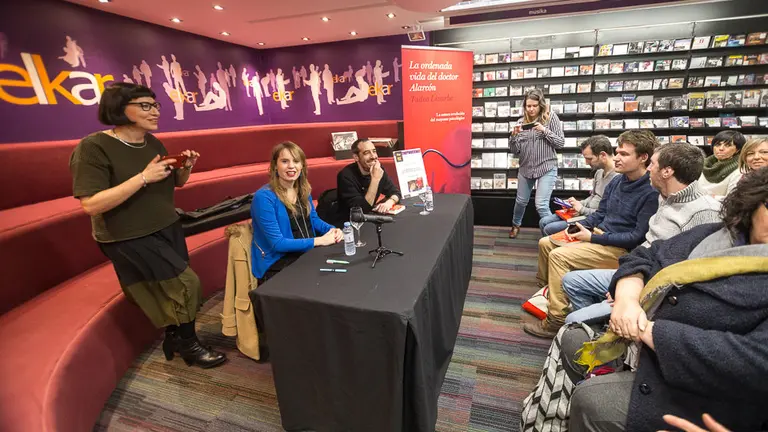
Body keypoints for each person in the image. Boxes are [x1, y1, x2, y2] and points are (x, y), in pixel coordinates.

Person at [562, 167, 768, 432]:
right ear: (753, 201)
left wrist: (648, 330)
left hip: (702, 386)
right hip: (645, 336)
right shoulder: (716, 235)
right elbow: (645, 255)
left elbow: (753, 361)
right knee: (573, 337)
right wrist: (627, 296)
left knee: (591, 400)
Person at [69, 83, 225, 369]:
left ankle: (174, 338)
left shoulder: (152, 142)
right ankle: (188, 343)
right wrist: (142, 177)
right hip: (128, 236)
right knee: (186, 284)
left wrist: (185, 168)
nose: (154, 111)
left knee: (169, 289)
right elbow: (90, 204)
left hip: (166, 226)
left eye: (155, 105)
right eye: (145, 105)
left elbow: (174, 183)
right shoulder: (93, 147)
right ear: (119, 109)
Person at [563, 142, 721, 324]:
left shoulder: (705, 213)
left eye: (652, 164)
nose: (649, 169)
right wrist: (624, 278)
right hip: (638, 272)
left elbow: (689, 274)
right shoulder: (665, 197)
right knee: (571, 281)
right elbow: (647, 248)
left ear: (667, 172)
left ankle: (607, 330)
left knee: (572, 319)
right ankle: (605, 329)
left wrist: (629, 290)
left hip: (657, 289)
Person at [524, 130, 659, 339]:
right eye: (617, 152)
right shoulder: (617, 181)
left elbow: (636, 237)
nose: (617, 158)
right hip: (600, 236)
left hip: (619, 249)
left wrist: (593, 237)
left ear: (643, 158)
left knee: (558, 256)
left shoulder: (651, 192)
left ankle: (555, 320)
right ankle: (548, 294)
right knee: (545, 243)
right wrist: (576, 228)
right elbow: (601, 213)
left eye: (624, 154)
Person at [250, 142, 343, 285]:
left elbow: (314, 220)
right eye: (285, 161)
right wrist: (320, 241)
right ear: (275, 166)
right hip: (277, 263)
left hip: (305, 253)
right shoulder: (264, 198)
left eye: (296, 161)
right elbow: (278, 244)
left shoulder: (303, 190)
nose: (291, 166)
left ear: (302, 166)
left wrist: (332, 229)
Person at [508, 88, 565, 239]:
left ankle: (554, 234)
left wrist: (544, 130)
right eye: (528, 106)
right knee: (520, 201)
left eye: (534, 105)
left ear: (540, 105)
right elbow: (515, 150)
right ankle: (515, 225)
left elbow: (560, 143)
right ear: (524, 106)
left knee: (541, 204)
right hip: (526, 168)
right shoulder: (520, 122)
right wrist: (513, 137)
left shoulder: (551, 118)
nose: (531, 109)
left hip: (547, 166)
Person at [539, 135, 617, 236]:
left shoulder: (617, 178)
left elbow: (606, 213)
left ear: (602, 155)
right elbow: (593, 196)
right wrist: (577, 204)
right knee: (544, 221)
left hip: (593, 219)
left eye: (589, 158)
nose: (586, 162)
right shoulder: (599, 172)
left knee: (549, 228)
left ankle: (559, 249)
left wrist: (581, 209)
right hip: (585, 212)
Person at [337, 139, 402, 222]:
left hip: (370, 218)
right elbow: (362, 210)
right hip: (351, 223)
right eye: (366, 153)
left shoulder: (378, 169)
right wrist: (375, 179)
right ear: (356, 157)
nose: (373, 156)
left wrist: (389, 202)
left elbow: (395, 192)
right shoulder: (345, 176)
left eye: (374, 151)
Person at [698, 130, 744, 199]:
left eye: (728, 145)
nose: (721, 148)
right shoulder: (703, 165)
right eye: (718, 145)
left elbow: (733, 199)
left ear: (737, 150)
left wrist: (712, 197)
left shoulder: (740, 170)